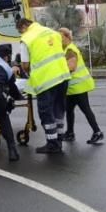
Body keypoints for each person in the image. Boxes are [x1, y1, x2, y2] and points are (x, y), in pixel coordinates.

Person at [19, 20, 71, 154]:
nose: (21, 33)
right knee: (59, 109)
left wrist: (28, 71)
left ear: (24, 27)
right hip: (63, 76)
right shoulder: (52, 32)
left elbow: (25, 65)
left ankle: (52, 143)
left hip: (45, 80)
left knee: (46, 111)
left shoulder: (26, 38)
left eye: (20, 31)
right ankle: (58, 140)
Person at [59, 28, 104, 145]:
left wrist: (59, 72)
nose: (60, 40)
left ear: (67, 37)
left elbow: (72, 67)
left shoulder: (70, 50)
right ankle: (70, 132)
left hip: (78, 87)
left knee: (86, 110)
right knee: (69, 110)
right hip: (72, 88)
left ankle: (97, 132)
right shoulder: (67, 49)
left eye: (61, 37)